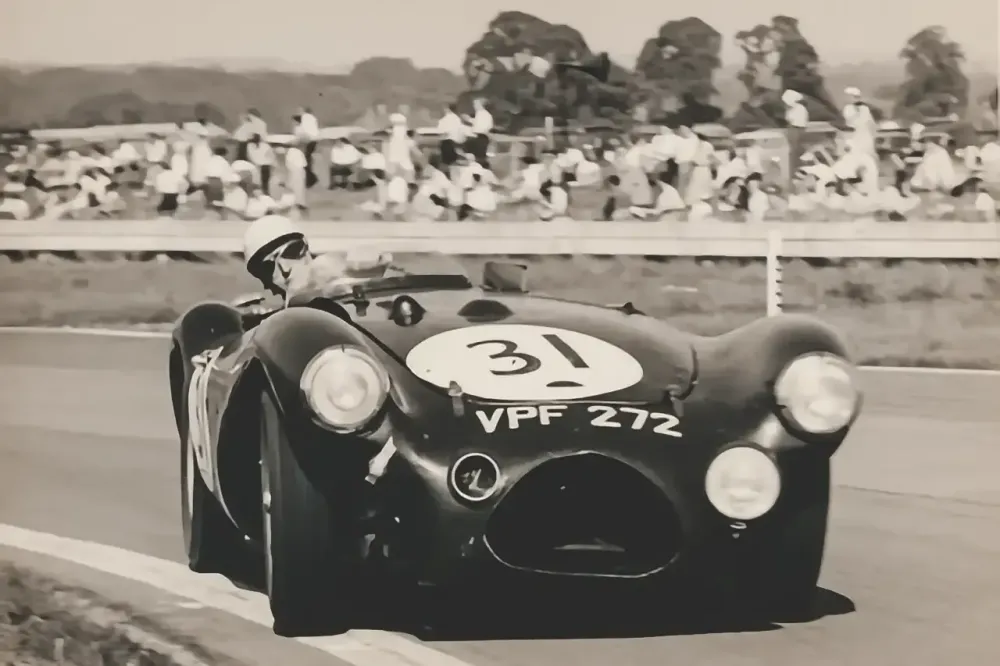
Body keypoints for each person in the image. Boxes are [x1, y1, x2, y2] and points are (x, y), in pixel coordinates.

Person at [242, 215, 394, 305]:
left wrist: (364, 261)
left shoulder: (326, 269)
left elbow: (375, 263)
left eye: (291, 251)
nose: (285, 268)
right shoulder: (271, 324)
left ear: (306, 249)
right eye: (268, 266)